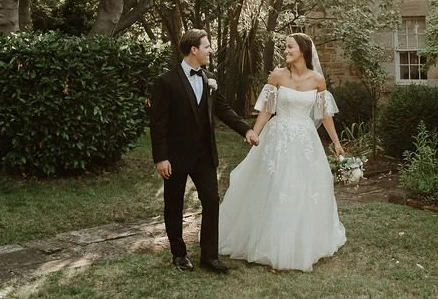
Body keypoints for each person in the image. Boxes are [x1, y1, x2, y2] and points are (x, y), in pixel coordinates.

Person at [218, 32, 347, 272]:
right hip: (278, 138)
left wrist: (336, 142)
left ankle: (300, 242)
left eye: (290, 47)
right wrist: (254, 132)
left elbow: (324, 115)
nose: (286, 51)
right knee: (276, 186)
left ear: (303, 50)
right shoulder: (277, 76)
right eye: (285, 47)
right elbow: (267, 110)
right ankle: (267, 241)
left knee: (303, 188)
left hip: (305, 140)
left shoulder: (318, 80)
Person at [148, 29, 259, 273]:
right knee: (174, 204)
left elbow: (224, 109)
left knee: (211, 201)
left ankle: (209, 257)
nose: (211, 50)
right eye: (207, 46)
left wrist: (246, 131)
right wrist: (161, 157)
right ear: (194, 50)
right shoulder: (166, 82)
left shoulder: (210, 79)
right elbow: (158, 123)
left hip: (204, 155)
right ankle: (179, 254)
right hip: (175, 157)